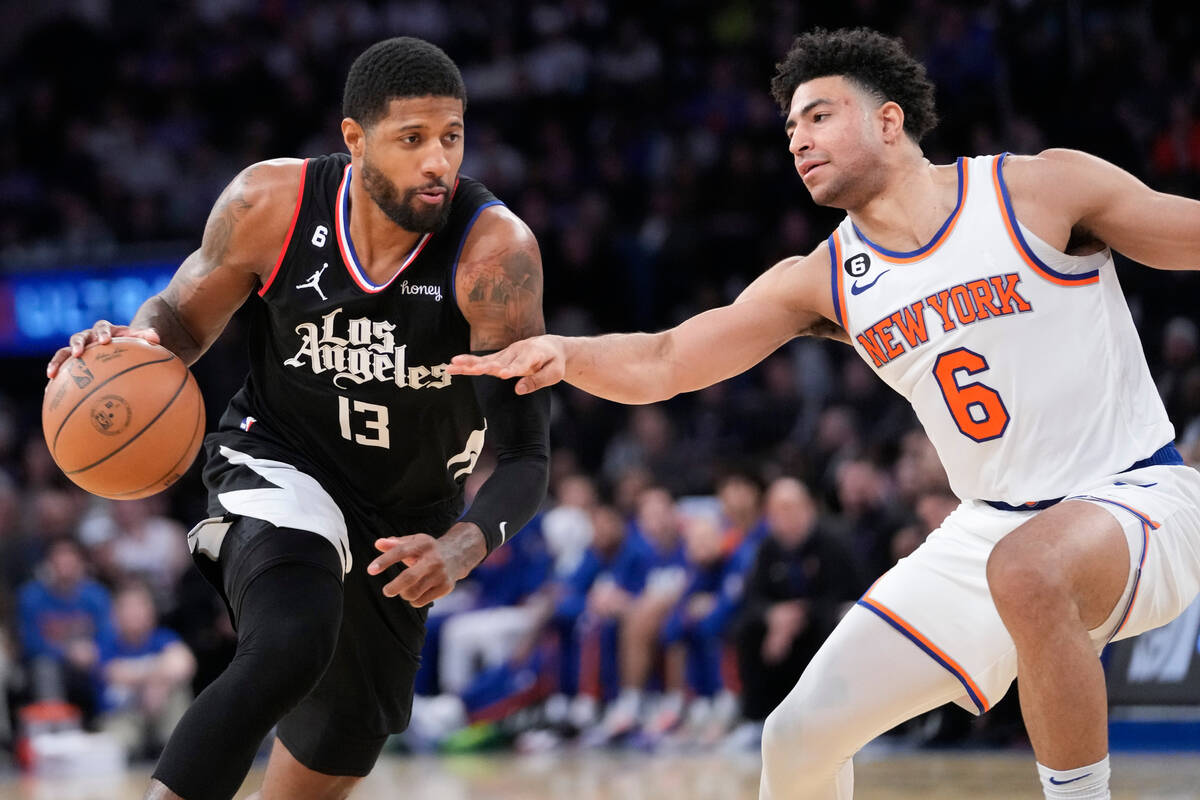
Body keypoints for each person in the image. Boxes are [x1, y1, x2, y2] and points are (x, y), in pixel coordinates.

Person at [450, 26, 1200, 800]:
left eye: (818, 116)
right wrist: (568, 356)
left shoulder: (1037, 191)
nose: (798, 140)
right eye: (789, 129)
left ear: (887, 121)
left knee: (1031, 569)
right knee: (799, 735)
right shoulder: (826, 278)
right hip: (991, 529)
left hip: (1137, 495)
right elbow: (669, 359)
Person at [46, 36, 550, 800]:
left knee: (337, 755)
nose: (436, 162)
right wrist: (133, 344)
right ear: (354, 140)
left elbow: (525, 458)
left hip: (406, 517)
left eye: (451, 137)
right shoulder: (270, 205)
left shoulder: (493, 256)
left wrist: (462, 547)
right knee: (290, 641)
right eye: (411, 140)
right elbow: (178, 324)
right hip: (281, 461)